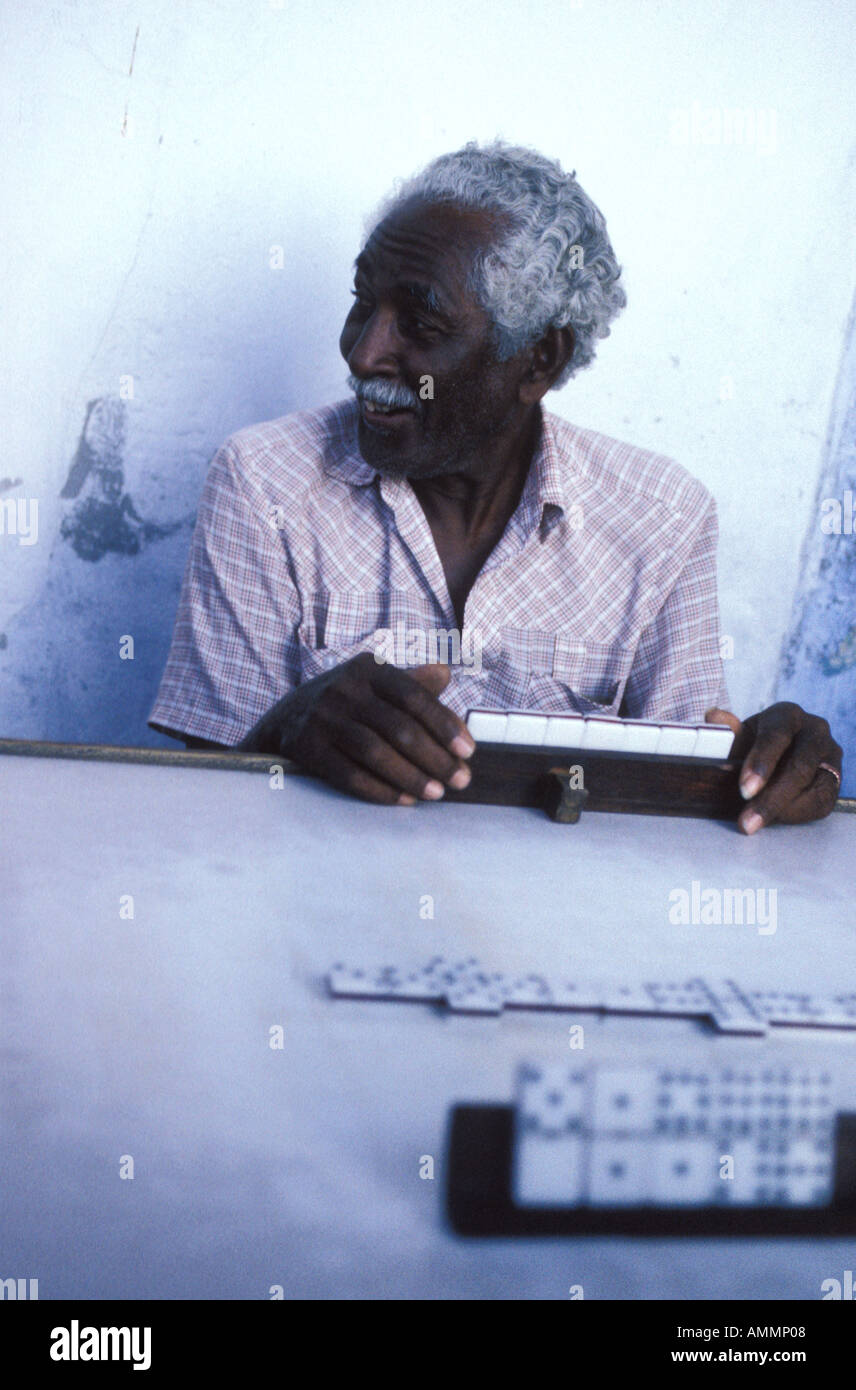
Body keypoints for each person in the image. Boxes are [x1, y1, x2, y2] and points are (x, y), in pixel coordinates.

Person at [149, 141, 842, 832]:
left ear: (538, 359)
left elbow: (681, 806)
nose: (363, 352)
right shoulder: (265, 482)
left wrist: (763, 772)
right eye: (363, 302)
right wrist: (286, 727)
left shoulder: (663, 518)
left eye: (419, 325)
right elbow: (214, 806)